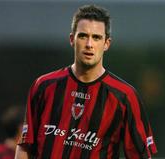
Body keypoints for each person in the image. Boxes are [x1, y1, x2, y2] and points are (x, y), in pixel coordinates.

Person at [15, 4, 157, 159]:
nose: (89, 44)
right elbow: (25, 147)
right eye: (83, 36)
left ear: (106, 44)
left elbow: (141, 155)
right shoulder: (43, 86)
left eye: (96, 37)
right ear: (72, 39)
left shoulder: (125, 96)